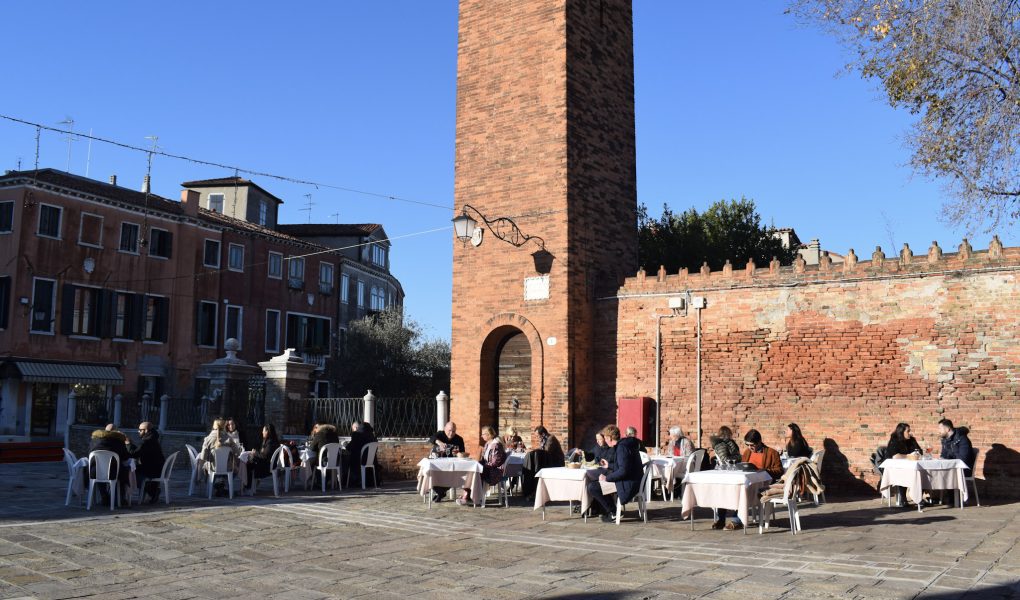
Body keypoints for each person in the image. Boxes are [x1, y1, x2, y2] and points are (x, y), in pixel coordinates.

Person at [586, 424, 643, 523]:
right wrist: (610, 466)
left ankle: (613, 512)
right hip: (632, 480)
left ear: (609, 437)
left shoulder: (621, 448)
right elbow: (625, 466)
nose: (605, 440)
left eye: (605, 438)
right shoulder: (624, 445)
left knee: (593, 487)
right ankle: (612, 511)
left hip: (628, 484)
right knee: (597, 484)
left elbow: (623, 471)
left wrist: (607, 478)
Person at [457, 426, 507, 505]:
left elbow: (495, 463)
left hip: (495, 472)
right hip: (488, 469)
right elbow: (484, 460)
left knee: (474, 473)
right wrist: (477, 463)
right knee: (471, 471)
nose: (481, 436)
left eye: (483, 434)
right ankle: (468, 496)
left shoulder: (496, 445)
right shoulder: (487, 444)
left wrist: (481, 466)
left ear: (489, 435)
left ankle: (468, 497)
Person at [89, 425, 131, 505]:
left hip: (94, 472)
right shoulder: (119, 441)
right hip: (114, 473)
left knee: (99, 471)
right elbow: (125, 457)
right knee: (124, 471)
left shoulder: (94, 440)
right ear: (116, 431)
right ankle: (118, 499)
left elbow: (88, 455)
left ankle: (104, 496)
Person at [938, 418, 974, 506]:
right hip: (952, 467)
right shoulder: (945, 440)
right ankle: (938, 498)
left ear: (948, 429)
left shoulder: (962, 439)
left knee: (948, 472)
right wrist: (943, 459)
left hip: (964, 468)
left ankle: (953, 499)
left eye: (940, 429)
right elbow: (943, 455)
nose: (939, 431)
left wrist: (948, 458)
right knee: (937, 472)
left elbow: (963, 459)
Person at [126, 421, 165, 503]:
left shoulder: (147, 441)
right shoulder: (152, 439)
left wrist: (128, 444)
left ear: (146, 430)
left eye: (140, 430)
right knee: (132, 470)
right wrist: (131, 445)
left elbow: (134, 454)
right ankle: (152, 490)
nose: (138, 431)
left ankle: (151, 491)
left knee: (128, 472)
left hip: (151, 470)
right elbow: (140, 451)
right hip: (155, 468)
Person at [885, 422, 923, 506]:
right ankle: (903, 498)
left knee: (921, 472)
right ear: (901, 432)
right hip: (894, 467)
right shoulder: (894, 440)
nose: (910, 433)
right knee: (904, 472)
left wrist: (916, 454)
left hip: (910, 465)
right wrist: (910, 456)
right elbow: (895, 456)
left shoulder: (912, 440)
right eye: (908, 431)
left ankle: (918, 497)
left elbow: (919, 451)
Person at [429, 422, 466, 502]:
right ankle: (440, 492)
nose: (451, 433)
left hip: (452, 464)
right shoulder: (440, 434)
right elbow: (431, 438)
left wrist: (458, 453)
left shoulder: (459, 439)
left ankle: (440, 492)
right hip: (438, 463)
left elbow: (463, 453)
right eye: (449, 430)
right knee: (431, 473)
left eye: (453, 431)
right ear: (445, 429)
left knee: (452, 475)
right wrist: (439, 442)